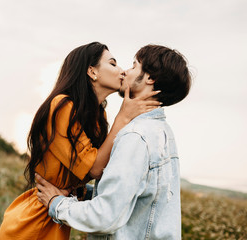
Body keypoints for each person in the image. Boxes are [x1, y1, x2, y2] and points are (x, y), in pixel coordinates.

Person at [0, 42, 161, 240]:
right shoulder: (62, 105)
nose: (122, 71)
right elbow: (94, 169)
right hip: (34, 221)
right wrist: (123, 117)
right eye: (112, 63)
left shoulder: (99, 117)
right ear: (92, 72)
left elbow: (101, 170)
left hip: (56, 213)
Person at [36, 44, 192, 240]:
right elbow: (141, 198)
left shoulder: (135, 137)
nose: (124, 71)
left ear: (150, 78)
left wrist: (55, 202)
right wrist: (86, 193)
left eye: (134, 66)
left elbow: (105, 216)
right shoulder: (162, 133)